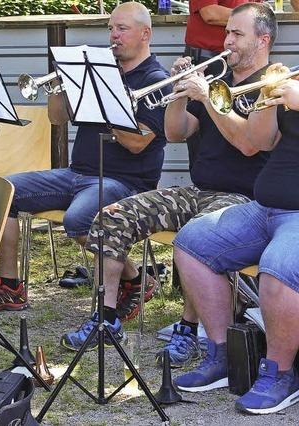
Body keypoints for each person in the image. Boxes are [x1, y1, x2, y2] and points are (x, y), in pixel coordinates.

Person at [64, 3, 274, 366]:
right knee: (111, 215)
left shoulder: (270, 84)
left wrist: (207, 97)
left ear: (263, 40)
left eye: (237, 34)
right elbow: (176, 132)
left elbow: (249, 143)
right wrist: (178, 92)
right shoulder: (217, 79)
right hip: (198, 191)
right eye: (227, 33)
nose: (227, 41)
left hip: (246, 199)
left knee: (196, 238)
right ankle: (107, 318)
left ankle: (188, 330)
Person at [0, 2, 170, 315]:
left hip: (125, 182)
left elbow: (138, 143)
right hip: (76, 174)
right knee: (5, 192)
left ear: (145, 34)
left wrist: (104, 98)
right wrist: (60, 84)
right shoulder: (99, 70)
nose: (113, 35)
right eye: (111, 28)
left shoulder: (157, 79)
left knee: (77, 220)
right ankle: (10, 287)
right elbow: (57, 118)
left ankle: (135, 278)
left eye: (121, 29)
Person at [171, 63, 299, 414]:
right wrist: (267, 100)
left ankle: (281, 374)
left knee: (278, 268)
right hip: (265, 208)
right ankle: (225, 355)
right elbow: (261, 141)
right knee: (193, 243)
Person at [184, 0, 249, 77]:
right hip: (209, 60)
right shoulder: (251, 15)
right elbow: (210, 13)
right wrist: (251, 18)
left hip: (241, 57)